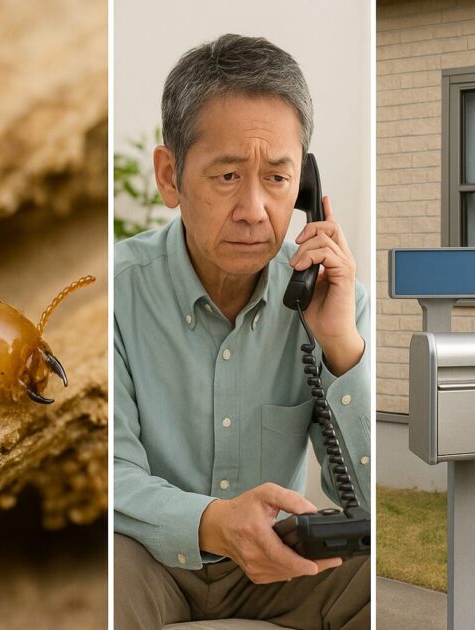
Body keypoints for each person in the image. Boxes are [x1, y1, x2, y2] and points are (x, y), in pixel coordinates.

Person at [113, 35, 370, 628]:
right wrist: (213, 523)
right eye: (228, 175)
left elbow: (366, 503)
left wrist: (340, 347)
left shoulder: (330, 298)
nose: (255, 209)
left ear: (304, 187)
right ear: (170, 176)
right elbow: (110, 473)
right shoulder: (116, 294)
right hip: (148, 557)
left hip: (280, 565)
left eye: (277, 178)